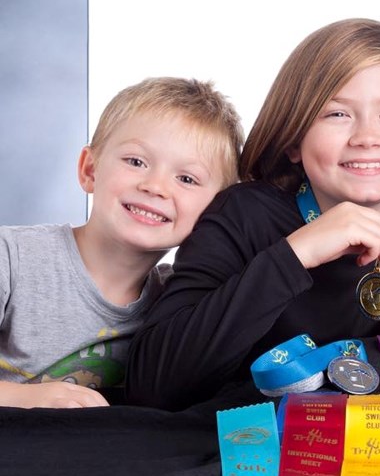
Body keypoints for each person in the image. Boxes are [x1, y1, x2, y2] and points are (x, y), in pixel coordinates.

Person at [126, 19, 380, 411]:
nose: (366, 137)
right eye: (337, 115)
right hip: (250, 447)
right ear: (294, 139)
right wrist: (293, 256)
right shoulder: (242, 215)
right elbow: (153, 382)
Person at [0, 77, 244, 409]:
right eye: (136, 162)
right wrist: (25, 397)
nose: (155, 186)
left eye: (186, 179)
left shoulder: (179, 306)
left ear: (215, 211)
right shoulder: (12, 258)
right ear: (89, 169)